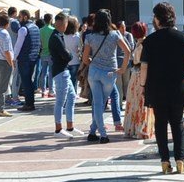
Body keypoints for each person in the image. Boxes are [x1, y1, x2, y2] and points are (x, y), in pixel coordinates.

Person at [140, 2, 184, 172]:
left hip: (156, 87)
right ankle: (180, 160)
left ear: (157, 19)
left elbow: (144, 67)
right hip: (178, 85)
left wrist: (142, 85)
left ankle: (165, 161)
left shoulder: (149, 40)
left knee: (160, 123)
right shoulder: (183, 37)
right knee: (177, 122)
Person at [82, 9, 131, 143]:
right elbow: (127, 51)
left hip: (94, 72)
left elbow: (85, 59)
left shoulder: (89, 37)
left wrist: (92, 60)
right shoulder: (115, 35)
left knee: (98, 103)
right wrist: (123, 68)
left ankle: (93, 131)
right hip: (110, 73)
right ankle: (102, 134)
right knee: (101, 103)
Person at [48, 12, 78, 136]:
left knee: (71, 96)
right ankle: (58, 129)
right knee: (61, 100)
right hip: (60, 71)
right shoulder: (56, 37)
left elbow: (66, 54)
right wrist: (70, 55)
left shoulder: (58, 35)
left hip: (63, 70)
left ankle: (70, 127)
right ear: (63, 24)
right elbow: (66, 55)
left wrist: (68, 55)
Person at [123, 21, 153, 140]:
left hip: (138, 75)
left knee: (137, 101)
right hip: (145, 74)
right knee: (142, 102)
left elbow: (136, 62)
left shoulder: (140, 45)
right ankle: (144, 127)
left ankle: (137, 127)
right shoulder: (147, 43)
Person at [13, 10, 41, 111]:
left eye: (19, 17)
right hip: (34, 58)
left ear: (25, 17)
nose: (18, 19)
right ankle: (30, 102)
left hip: (24, 59)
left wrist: (14, 58)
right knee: (30, 80)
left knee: (26, 82)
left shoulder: (23, 29)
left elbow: (18, 46)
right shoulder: (36, 27)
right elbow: (38, 43)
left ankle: (29, 104)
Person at [0, 13, 15, 118]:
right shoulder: (5, 34)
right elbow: (7, 51)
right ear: (7, 23)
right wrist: (11, 63)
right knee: (3, 87)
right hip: (3, 62)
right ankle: (0, 109)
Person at [37, 13, 55, 100]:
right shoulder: (53, 30)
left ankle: (43, 91)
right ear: (51, 20)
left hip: (43, 53)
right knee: (51, 73)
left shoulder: (40, 30)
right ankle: (51, 91)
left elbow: (39, 43)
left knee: (43, 73)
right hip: (51, 54)